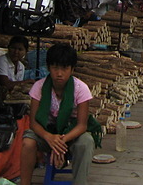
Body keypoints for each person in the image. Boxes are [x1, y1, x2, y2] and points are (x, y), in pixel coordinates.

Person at [20, 44, 101, 185]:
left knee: (86, 141)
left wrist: (61, 141)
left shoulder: (80, 89)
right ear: (48, 68)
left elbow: (82, 125)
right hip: (46, 132)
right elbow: (34, 123)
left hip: (72, 133)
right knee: (28, 142)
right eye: (55, 68)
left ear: (72, 69)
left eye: (64, 68)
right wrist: (49, 137)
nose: (59, 73)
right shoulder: (39, 87)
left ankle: (80, 182)